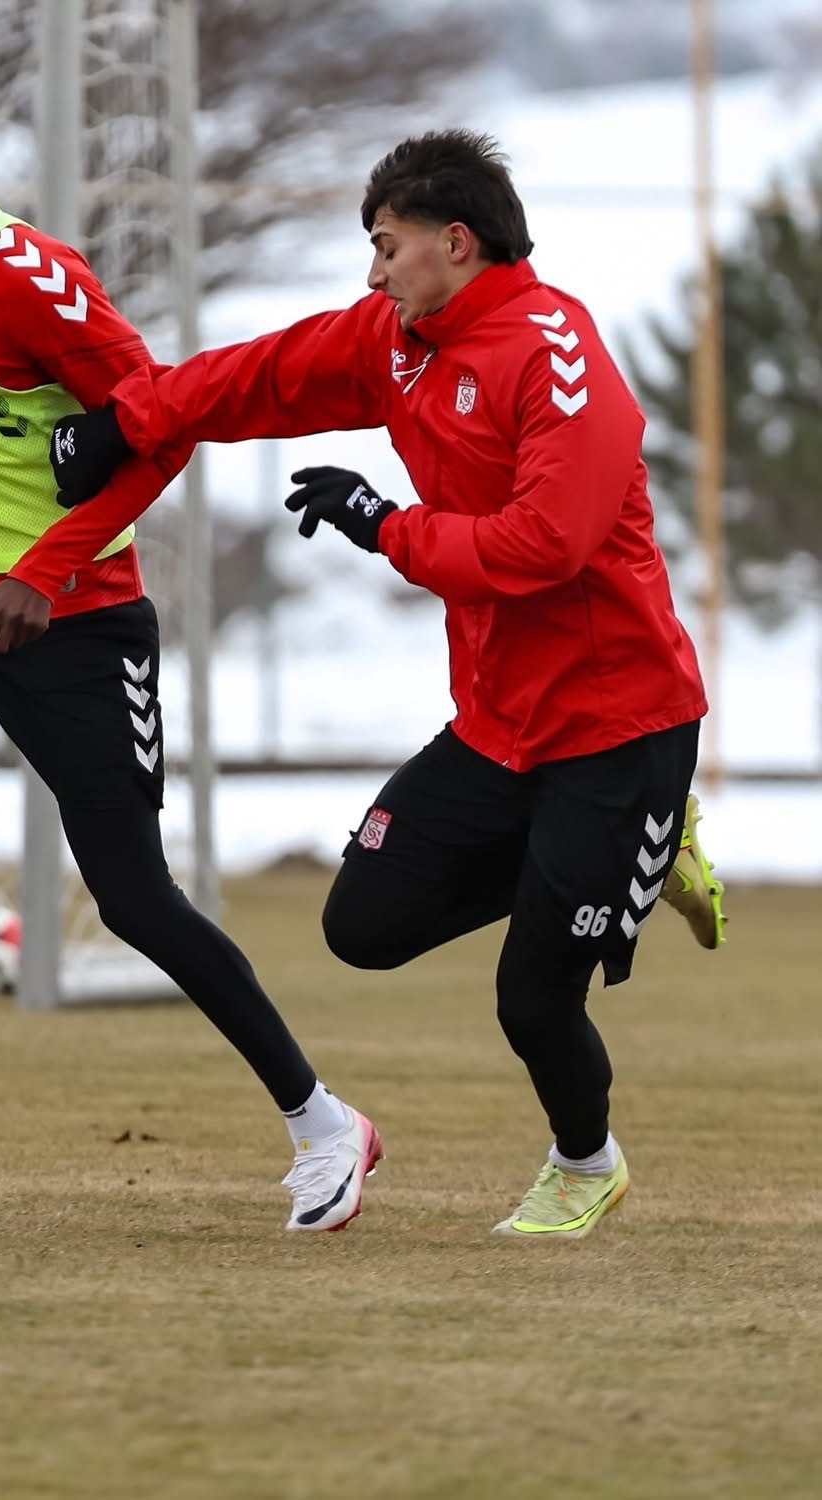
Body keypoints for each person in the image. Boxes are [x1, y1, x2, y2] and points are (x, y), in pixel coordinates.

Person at [46, 129, 727, 1241]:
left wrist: (385, 526)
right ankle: (623, 867)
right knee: (363, 922)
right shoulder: (400, 340)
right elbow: (263, 374)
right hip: (499, 726)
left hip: (620, 729)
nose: (372, 274)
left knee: (532, 998)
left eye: (387, 247)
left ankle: (585, 1162)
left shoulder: (559, 358)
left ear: (456, 242)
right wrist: (128, 421)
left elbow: (544, 545)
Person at [0, 79, 382, 1232]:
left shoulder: (24, 284)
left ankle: (324, 1123)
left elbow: (162, 427)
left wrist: (43, 575)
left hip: (78, 618)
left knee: (136, 900)